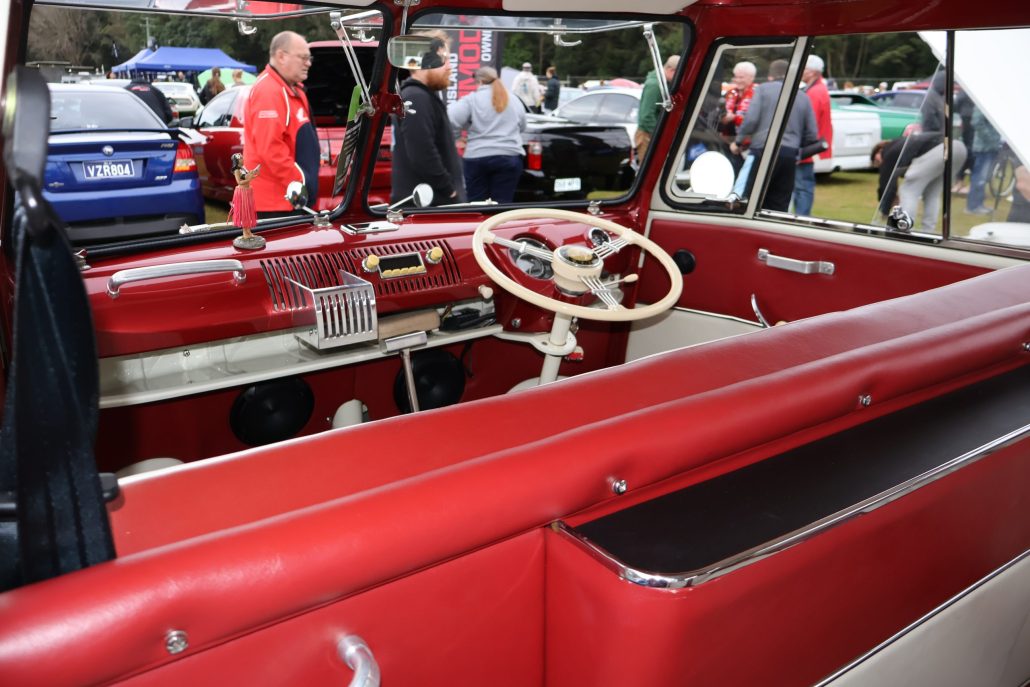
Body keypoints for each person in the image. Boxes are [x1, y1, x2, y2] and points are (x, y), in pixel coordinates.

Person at [243, 31, 320, 217]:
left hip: (291, 199)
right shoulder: (268, 91)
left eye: (309, 58)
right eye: (303, 58)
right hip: (274, 205)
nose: (308, 63)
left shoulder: (293, 89)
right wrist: (300, 183)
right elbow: (270, 149)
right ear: (281, 56)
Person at [731, 59, 819, 211]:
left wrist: (738, 141)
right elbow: (812, 134)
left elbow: (751, 119)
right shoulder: (803, 96)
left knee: (751, 202)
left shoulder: (762, 90)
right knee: (779, 205)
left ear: (770, 76)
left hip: (762, 152)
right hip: (789, 155)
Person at [391, 31, 466, 206]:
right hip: (429, 206)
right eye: (443, 59)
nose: (449, 67)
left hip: (431, 204)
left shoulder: (420, 96)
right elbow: (422, 153)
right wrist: (449, 190)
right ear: (422, 61)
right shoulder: (416, 97)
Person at [448, 66, 526, 203]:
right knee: (503, 206)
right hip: (509, 157)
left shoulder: (471, 100)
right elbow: (523, 126)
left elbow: (451, 118)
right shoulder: (514, 99)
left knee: (476, 205)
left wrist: (457, 138)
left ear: (479, 82)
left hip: (477, 158)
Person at [872, 133, 967, 231]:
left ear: (879, 150)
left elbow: (887, 185)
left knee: (908, 190)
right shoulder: (900, 144)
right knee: (932, 193)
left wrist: (885, 210)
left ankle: (904, 229)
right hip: (958, 148)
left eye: (876, 160)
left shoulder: (888, 152)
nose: (879, 164)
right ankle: (928, 231)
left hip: (941, 149)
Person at [793, 54, 833, 216]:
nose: (801, 71)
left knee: (802, 187)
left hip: (807, 149)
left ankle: (801, 218)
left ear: (812, 72)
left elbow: (809, 123)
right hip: (812, 147)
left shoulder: (815, 92)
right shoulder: (818, 89)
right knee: (803, 186)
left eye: (804, 68)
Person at [636, 55, 680, 161]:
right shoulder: (655, 85)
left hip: (650, 134)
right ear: (671, 70)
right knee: (650, 167)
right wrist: (661, 134)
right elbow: (646, 116)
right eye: (678, 73)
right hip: (647, 136)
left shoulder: (662, 83)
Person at [964, 108, 1001, 214]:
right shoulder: (982, 105)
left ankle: (978, 204)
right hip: (983, 148)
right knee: (979, 178)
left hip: (991, 147)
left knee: (983, 178)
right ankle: (973, 207)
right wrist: (991, 138)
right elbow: (976, 122)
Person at [229, 154, 263, 250]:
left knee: (248, 212)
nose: (242, 159)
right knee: (244, 212)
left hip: (247, 191)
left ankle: (249, 232)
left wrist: (254, 174)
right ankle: (245, 233)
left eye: (242, 157)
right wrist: (249, 178)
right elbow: (239, 182)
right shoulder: (237, 170)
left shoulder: (243, 168)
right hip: (242, 192)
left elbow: (248, 176)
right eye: (240, 158)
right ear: (236, 161)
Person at [720, 61, 756, 141]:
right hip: (726, 139)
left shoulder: (757, 94)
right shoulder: (731, 92)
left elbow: (755, 121)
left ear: (751, 78)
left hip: (746, 142)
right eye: (736, 77)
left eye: (741, 77)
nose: (737, 80)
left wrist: (734, 118)